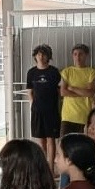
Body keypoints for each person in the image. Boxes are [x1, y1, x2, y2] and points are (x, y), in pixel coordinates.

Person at [26, 44, 62, 174]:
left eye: (44, 54)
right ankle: (44, 169)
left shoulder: (54, 72)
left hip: (51, 111)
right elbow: (30, 92)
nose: (41, 57)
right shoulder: (31, 72)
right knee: (41, 141)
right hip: (37, 111)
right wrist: (33, 105)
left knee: (51, 139)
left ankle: (51, 169)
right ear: (35, 56)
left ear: (48, 57)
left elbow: (60, 92)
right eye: (39, 54)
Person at [59, 44, 95, 136]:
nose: (78, 57)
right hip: (68, 116)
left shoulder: (91, 72)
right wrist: (83, 92)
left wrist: (72, 88)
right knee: (64, 145)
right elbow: (63, 92)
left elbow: (91, 93)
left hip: (85, 116)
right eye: (75, 54)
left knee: (84, 146)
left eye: (81, 54)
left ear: (86, 55)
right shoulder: (67, 71)